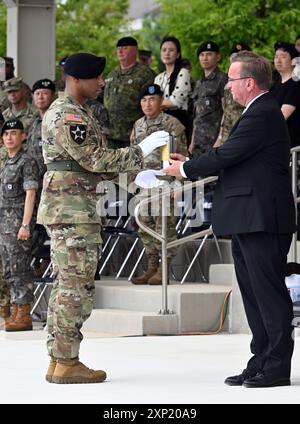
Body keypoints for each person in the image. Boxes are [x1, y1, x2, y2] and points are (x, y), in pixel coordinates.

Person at [165, 51, 295, 388]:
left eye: (232, 80)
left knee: (268, 293)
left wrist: (183, 169)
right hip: (248, 217)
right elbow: (234, 155)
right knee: (253, 294)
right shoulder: (257, 112)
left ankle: (277, 365)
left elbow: (228, 154)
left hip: (262, 218)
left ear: (249, 83)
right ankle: (261, 359)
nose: (229, 86)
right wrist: (192, 160)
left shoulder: (263, 113)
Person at [37, 52, 169, 384]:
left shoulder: (77, 112)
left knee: (66, 286)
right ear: (77, 80)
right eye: (96, 78)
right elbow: (93, 158)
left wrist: (134, 179)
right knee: (74, 288)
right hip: (73, 209)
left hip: (73, 206)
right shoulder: (69, 115)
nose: (102, 83)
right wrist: (140, 151)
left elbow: (87, 166)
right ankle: (66, 361)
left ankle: (60, 358)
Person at [130, 83, 187, 285]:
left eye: (152, 99)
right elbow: (132, 155)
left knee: (164, 226)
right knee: (144, 224)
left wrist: (177, 184)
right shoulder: (138, 125)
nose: (147, 103)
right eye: (144, 100)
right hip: (143, 183)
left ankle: (164, 268)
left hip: (164, 182)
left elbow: (180, 156)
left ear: (161, 101)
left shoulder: (171, 124)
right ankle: (151, 265)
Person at [0, 119, 39, 332]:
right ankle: (15, 309)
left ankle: (24, 313)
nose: (9, 137)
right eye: (6, 134)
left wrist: (25, 224)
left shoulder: (27, 161)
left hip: (17, 224)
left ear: (23, 136)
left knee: (20, 268)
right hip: (3, 225)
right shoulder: (6, 162)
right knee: (8, 269)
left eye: (14, 133)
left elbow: (30, 193)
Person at [104, 37, 155, 149]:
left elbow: (152, 104)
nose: (120, 51)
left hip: (133, 135)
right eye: (118, 49)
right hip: (111, 135)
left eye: (125, 48)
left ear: (135, 51)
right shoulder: (112, 74)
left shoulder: (145, 74)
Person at [189, 41, 227, 157]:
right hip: (198, 143)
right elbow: (197, 116)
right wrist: (192, 141)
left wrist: (221, 138)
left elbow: (227, 111)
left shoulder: (223, 80)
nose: (205, 58)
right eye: (202, 55)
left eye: (209, 54)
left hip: (214, 142)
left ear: (218, 57)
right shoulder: (199, 82)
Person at [214, 42, 251, 147]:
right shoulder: (227, 81)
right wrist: (220, 138)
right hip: (227, 135)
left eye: (241, 57)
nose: (236, 59)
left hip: (242, 133)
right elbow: (226, 110)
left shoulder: (251, 81)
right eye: (234, 57)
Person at [154, 36, 191, 140]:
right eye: (164, 50)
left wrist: (156, 104)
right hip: (161, 123)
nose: (167, 53)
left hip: (178, 122)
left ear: (178, 54)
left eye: (171, 50)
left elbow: (176, 102)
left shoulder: (183, 73)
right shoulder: (158, 78)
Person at [26, 78, 56, 201]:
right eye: (37, 94)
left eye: (45, 93)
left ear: (53, 96)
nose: (40, 97)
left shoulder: (56, 119)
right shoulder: (34, 121)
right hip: (34, 178)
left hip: (51, 178)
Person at [270, 41, 300, 148]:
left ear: (292, 61)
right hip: (277, 145)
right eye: (276, 56)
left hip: (292, 148)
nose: (278, 60)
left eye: (283, 56)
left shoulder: (296, 85)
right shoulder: (274, 87)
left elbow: (281, 117)